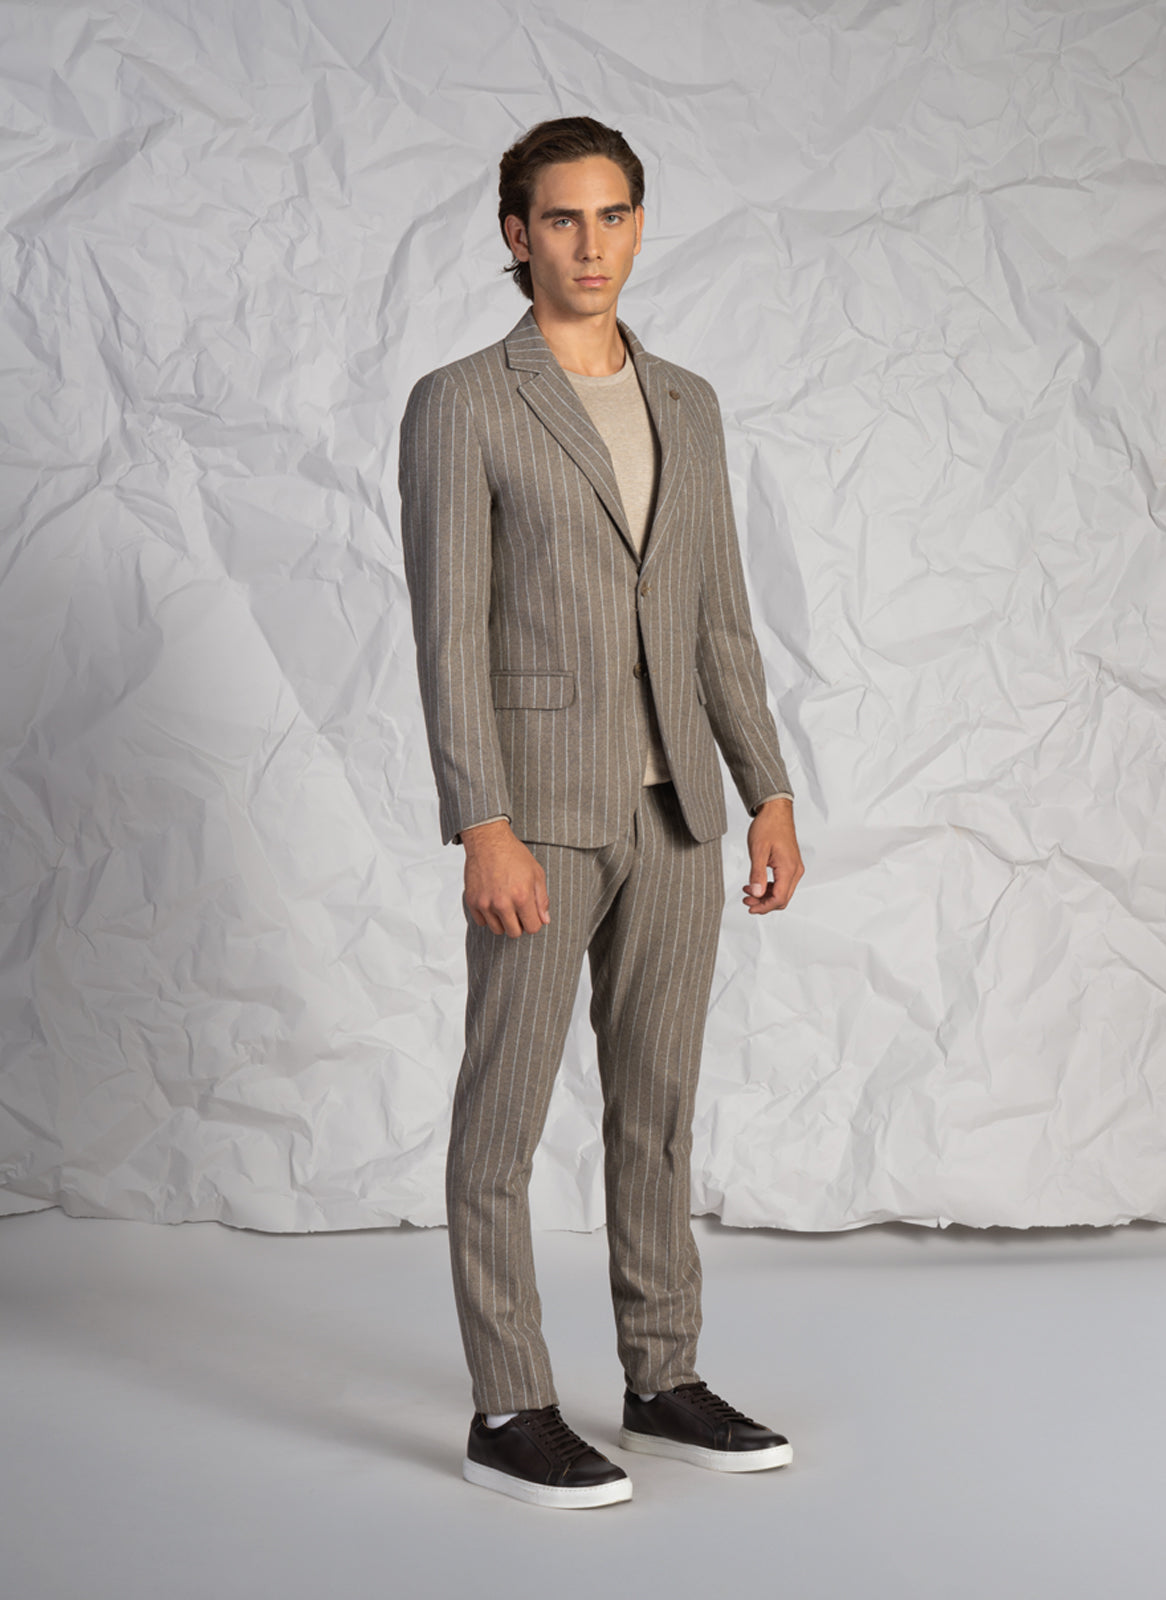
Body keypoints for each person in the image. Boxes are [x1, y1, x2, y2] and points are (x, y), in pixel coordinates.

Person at [397, 115, 805, 1509]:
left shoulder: (688, 400)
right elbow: (449, 635)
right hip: (542, 814)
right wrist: (482, 822)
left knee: (660, 1108)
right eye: (562, 220)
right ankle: (509, 1402)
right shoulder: (464, 401)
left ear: (639, 224)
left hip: (681, 810)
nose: (591, 245)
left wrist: (768, 788)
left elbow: (720, 621)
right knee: (503, 1118)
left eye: (614, 215)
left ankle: (661, 1376)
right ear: (517, 237)